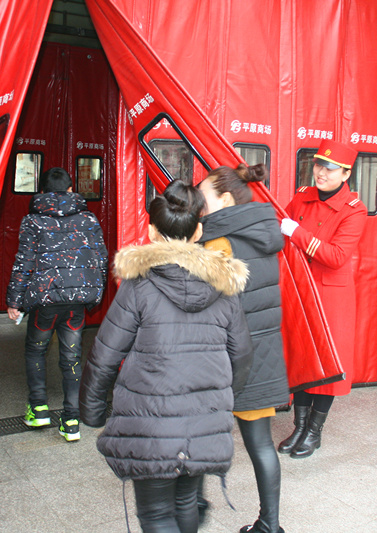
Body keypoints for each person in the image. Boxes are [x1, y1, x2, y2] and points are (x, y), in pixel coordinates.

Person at [79, 180, 254, 533]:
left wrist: (92, 411)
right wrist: (219, 400)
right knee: (186, 502)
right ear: (198, 231)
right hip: (204, 421)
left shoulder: (139, 285)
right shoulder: (224, 286)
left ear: (151, 231)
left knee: (157, 514)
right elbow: (242, 354)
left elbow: (105, 354)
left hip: (149, 424)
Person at [197, 164, 288, 533]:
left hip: (223, 355)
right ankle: (270, 525)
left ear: (225, 199)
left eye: (203, 198)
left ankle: (193, 506)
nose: (199, 205)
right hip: (261, 353)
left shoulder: (219, 241)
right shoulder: (262, 229)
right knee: (261, 443)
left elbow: (202, 302)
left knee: (197, 433)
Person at [278, 139, 366, 458]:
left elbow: (336, 256)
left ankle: (314, 432)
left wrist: (296, 233)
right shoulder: (303, 196)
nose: (321, 173)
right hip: (300, 290)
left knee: (327, 364)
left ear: (346, 174)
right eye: (318, 165)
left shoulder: (354, 210)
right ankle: (299, 427)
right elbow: (280, 230)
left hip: (330, 297)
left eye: (330, 168)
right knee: (303, 359)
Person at [6, 167, 108, 442]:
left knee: (35, 350)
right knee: (71, 357)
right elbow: (101, 258)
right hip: (76, 302)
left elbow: (24, 263)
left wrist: (14, 301)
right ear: (72, 190)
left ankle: (38, 408)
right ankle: (71, 420)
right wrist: (95, 293)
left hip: (45, 302)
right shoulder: (88, 218)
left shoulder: (33, 221)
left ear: (42, 192)